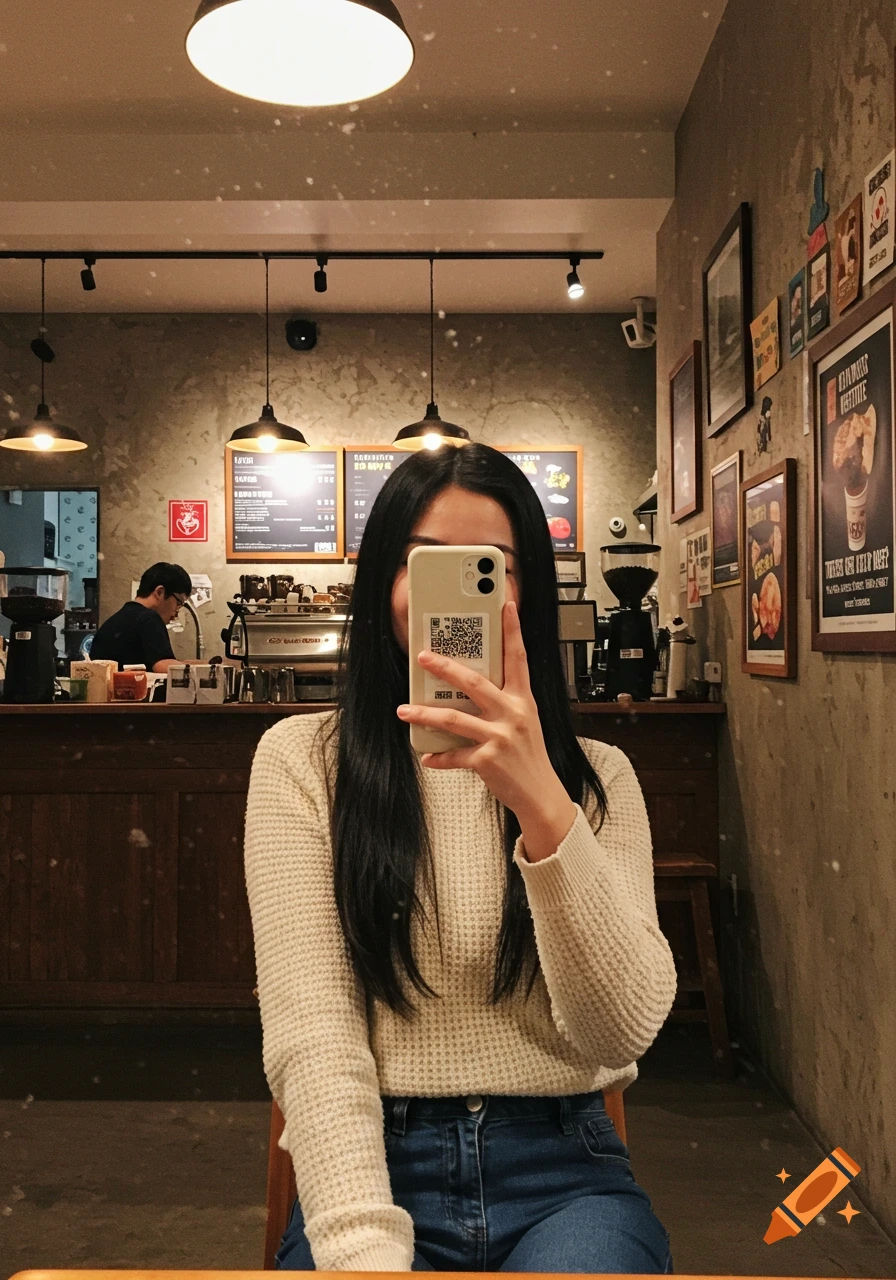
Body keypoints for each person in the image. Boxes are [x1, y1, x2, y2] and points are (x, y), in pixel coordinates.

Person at [245, 443, 677, 1275]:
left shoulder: (596, 777)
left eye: (486, 568)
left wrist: (541, 804)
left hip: (563, 1168)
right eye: (422, 564)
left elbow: (620, 1029)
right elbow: (314, 1031)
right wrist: (362, 1246)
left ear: (528, 593)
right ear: (383, 585)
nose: (454, 593)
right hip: (373, 1155)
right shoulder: (302, 762)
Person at [90, 561, 192, 673]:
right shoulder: (150, 619)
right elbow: (165, 667)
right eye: (178, 603)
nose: (176, 612)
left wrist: (209, 663)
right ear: (160, 592)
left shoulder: (112, 623)